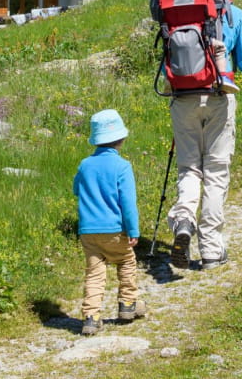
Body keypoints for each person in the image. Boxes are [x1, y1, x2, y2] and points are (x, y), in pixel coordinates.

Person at [168, 0, 242, 270]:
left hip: (182, 97)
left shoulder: (177, 13)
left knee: (190, 168)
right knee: (216, 172)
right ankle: (210, 250)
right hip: (220, 95)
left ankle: (183, 220)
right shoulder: (235, 14)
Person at [73, 109, 145, 336]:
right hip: (115, 229)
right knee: (126, 262)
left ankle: (91, 317)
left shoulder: (85, 165)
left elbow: (76, 189)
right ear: (121, 139)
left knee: (94, 273)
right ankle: (127, 304)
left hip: (88, 231)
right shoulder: (122, 166)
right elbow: (128, 203)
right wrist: (133, 230)